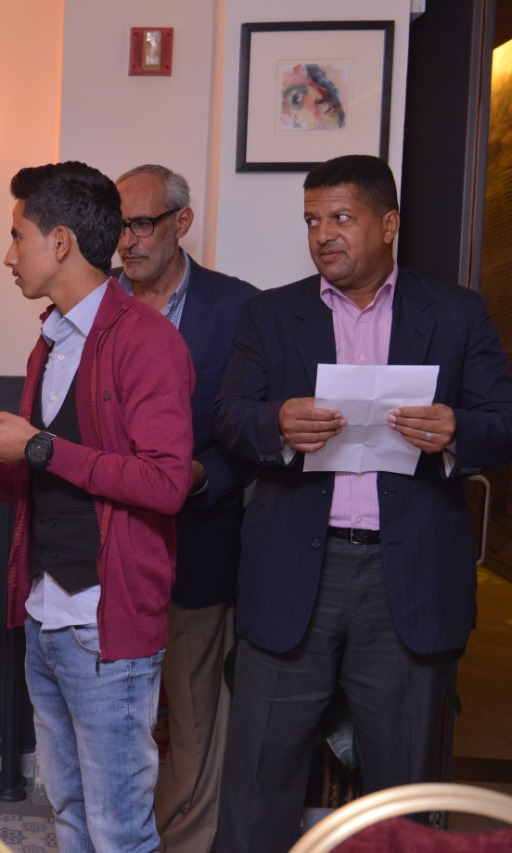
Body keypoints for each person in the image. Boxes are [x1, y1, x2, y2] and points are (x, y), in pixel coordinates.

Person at [213, 154, 512, 852]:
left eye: (341, 218)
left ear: (389, 223)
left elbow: (502, 422)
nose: (323, 235)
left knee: (403, 789)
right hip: (294, 573)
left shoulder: (458, 314)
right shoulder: (270, 315)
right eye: (312, 220)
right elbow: (229, 417)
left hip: (406, 580)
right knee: (259, 776)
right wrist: (275, 423)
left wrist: (456, 430)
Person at [0, 161, 194, 852]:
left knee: (119, 830)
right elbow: (30, 479)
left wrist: (39, 447)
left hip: (107, 627)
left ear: (60, 241)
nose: (8, 255)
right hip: (44, 619)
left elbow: (166, 482)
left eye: (16, 235)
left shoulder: (147, 340)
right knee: (68, 814)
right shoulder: (51, 341)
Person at [115, 165, 258, 853]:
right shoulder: (96, 303)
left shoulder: (237, 309)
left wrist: (198, 477)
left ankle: (183, 843)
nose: (127, 241)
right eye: (118, 226)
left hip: (197, 542)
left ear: (182, 222)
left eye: (142, 224)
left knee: (195, 718)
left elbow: (250, 433)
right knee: (116, 719)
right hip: (109, 550)